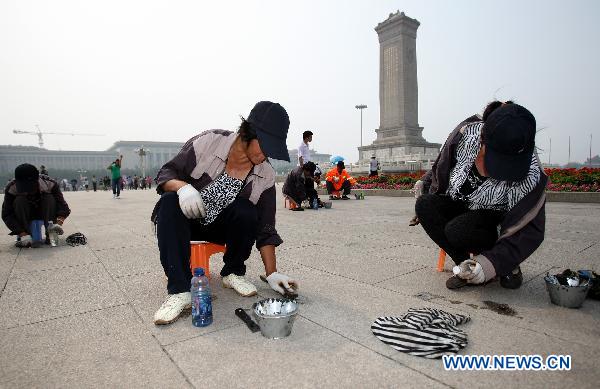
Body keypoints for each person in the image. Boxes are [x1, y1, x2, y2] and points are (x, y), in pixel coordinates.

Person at [151, 101, 299, 325]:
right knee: (169, 202)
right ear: (248, 133)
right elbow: (166, 173)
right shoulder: (209, 142)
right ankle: (179, 291)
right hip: (185, 221)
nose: (267, 155)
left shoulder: (265, 174)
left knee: (248, 211)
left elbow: (265, 227)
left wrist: (272, 274)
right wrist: (183, 188)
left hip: (219, 227)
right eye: (265, 146)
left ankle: (233, 273)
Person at [414, 102, 546, 291]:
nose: (504, 172)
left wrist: (492, 264)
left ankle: (504, 264)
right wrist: (425, 182)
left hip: (493, 217)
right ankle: (466, 267)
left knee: (458, 230)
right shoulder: (466, 135)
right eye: (499, 162)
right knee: (425, 205)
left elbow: (529, 230)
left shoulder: (532, 173)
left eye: (512, 166)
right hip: (462, 202)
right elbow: (443, 163)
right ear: (483, 140)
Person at [2, 164, 70, 248]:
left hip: (45, 211)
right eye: (24, 188)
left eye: (30, 188)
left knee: (49, 198)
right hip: (25, 212)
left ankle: (51, 232)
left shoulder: (50, 184)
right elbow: (7, 214)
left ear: (37, 179)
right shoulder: (11, 188)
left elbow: (63, 207)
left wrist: (59, 223)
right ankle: (25, 235)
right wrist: (21, 232)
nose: (28, 192)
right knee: (19, 200)